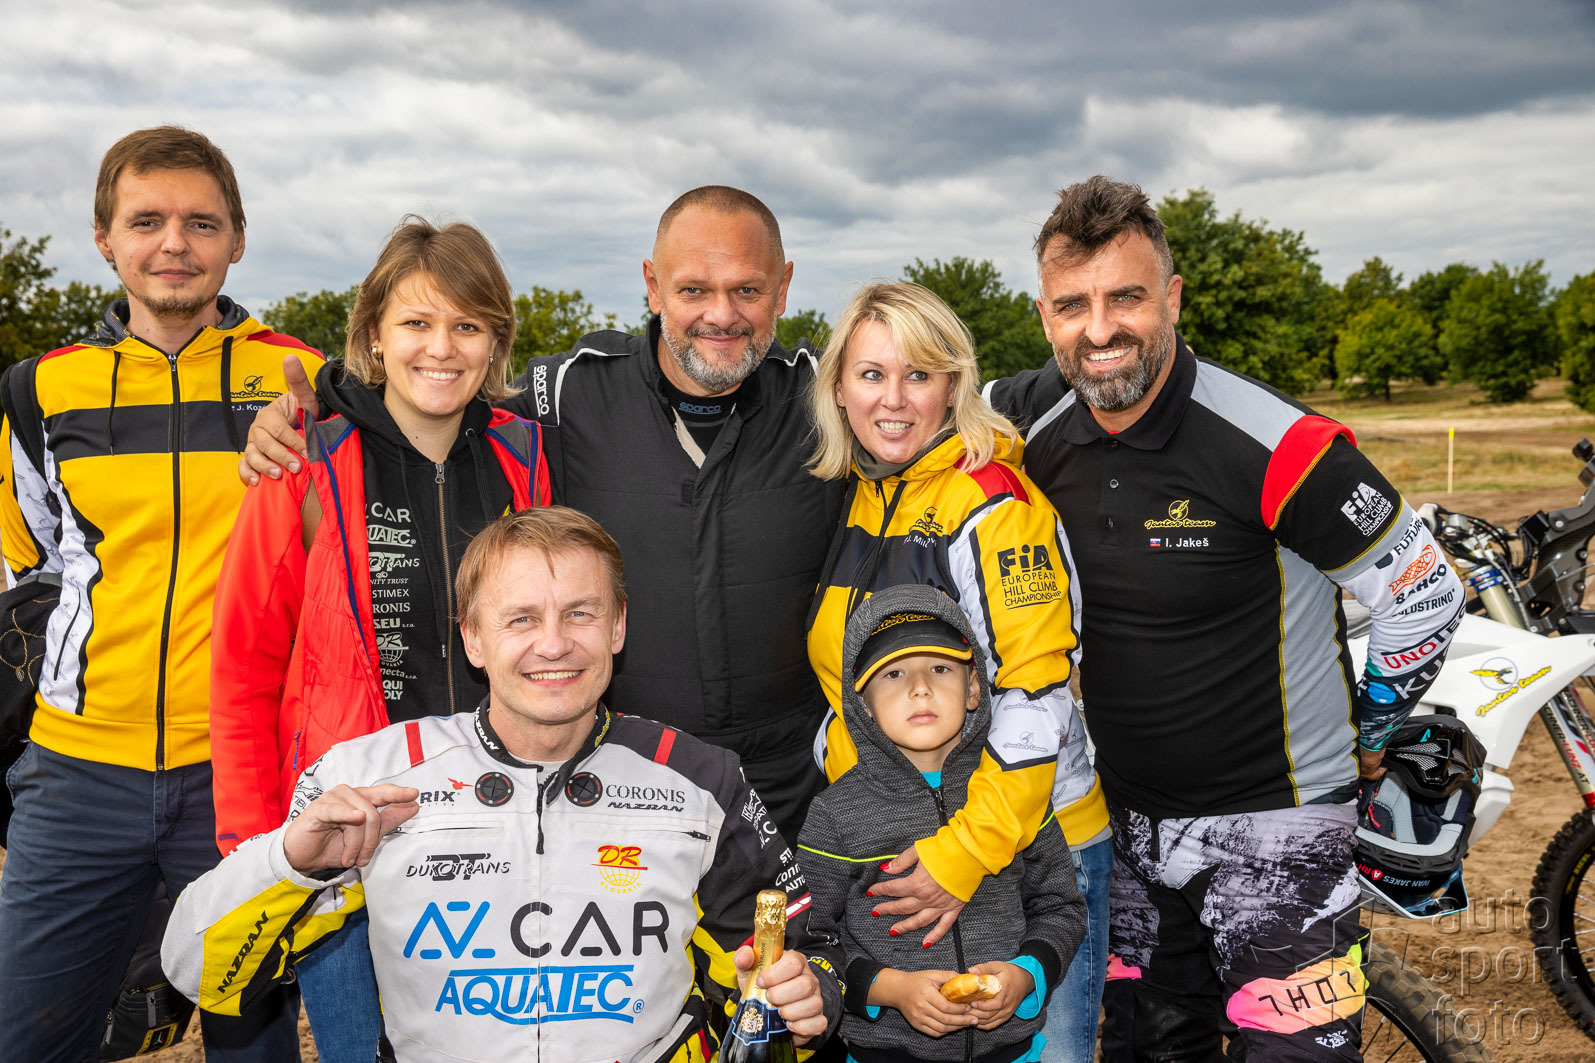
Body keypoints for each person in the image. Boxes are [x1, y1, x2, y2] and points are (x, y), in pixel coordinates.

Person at [988, 176, 1466, 1060]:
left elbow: (1425, 590)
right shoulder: (1025, 419)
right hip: (1127, 829)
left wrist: (1372, 732)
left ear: (1171, 298)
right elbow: (904, 403)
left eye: (1125, 297)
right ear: (1044, 316)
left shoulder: (1278, 441)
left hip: (1281, 833)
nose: (1099, 329)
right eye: (1072, 306)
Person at [239, 186, 843, 840]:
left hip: (777, 793)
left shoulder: (831, 402)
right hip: (554, 793)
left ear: (783, 288)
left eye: (746, 290)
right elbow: (245, 669)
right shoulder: (564, 396)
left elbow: (911, 414)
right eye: (694, 289)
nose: (720, 314)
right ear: (652, 285)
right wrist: (319, 406)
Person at [164, 506, 845, 1062]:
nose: (553, 644)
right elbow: (195, 969)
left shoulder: (700, 778)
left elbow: (805, 957)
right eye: (521, 618)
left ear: (617, 627)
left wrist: (807, 993)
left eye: (580, 613)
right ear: (473, 639)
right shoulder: (367, 776)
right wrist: (290, 864)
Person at [0, 125, 317, 1061]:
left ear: (237, 239)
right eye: (146, 221)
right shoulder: (38, 390)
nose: (174, 243)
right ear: (105, 238)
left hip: (245, 772)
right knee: (26, 1039)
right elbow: (25, 561)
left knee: (253, 1047)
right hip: (76, 772)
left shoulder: (304, 379)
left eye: (201, 223)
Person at [209, 216, 550, 1060]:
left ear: (495, 341)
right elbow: (243, 670)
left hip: (495, 828)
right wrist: (254, 850)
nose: (441, 347)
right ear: (373, 334)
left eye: (467, 325)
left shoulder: (526, 458)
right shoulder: (303, 461)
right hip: (352, 844)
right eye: (416, 322)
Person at [804, 282, 1109, 1059]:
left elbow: (1036, 699)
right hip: (902, 851)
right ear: (838, 389)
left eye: (919, 374)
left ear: (953, 385)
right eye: (871, 374)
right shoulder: (866, 496)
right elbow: (852, 689)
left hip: (1022, 849)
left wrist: (965, 852)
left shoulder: (993, 504)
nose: (893, 398)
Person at [798, 584, 1085, 1063]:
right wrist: (891, 989)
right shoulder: (835, 814)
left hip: (1014, 1053)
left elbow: (1061, 906)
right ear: (862, 703)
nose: (920, 688)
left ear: (973, 687)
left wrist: (1027, 974)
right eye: (893, 673)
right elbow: (813, 941)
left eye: (940, 668)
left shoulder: (1011, 797)